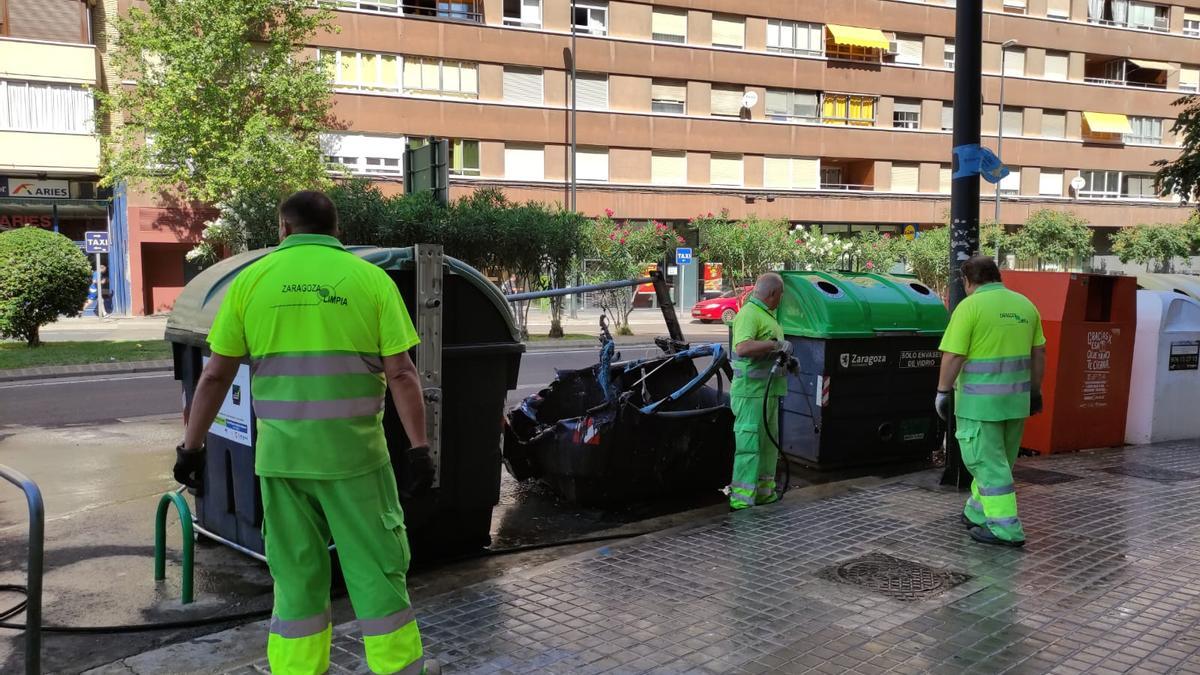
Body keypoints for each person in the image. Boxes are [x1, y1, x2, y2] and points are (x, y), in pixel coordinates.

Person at [173, 190, 441, 674]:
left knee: (296, 580)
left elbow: (213, 376)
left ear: (283, 228)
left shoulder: (251, 281)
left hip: (282, 463)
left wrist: (192, 448)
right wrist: (421, 448)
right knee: (377, 573)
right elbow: (402, 374)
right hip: (356, 462)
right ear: (336, 230)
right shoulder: (370, 280)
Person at [936, 255, 1046, 548]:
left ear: (967, 281)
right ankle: (977, 510)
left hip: (980, 406)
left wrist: (943, 391)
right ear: (998, 276)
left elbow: (954, 355)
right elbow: (1039, 355)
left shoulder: (969, 307)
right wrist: (1034, 392)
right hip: (1016, 403)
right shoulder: (1025, 305)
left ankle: (1006, 529)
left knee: (987, 464)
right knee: (1000, 464)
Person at [729, 272, 791, 511]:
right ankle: (741, 499)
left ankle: (765, 494)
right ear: (773, 293)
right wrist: (775, 345)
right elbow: (743, 347)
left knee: (767, 447)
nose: (781, 299)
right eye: (781, 294)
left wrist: (786, 360)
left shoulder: (766, 315)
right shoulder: (749, 314)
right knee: (750, 447)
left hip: (767, 393)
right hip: (750, 395)